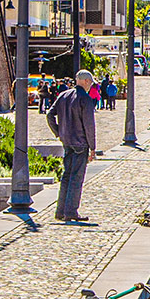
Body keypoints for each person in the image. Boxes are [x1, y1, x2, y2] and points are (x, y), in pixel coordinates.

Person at [48, 69, 99, 222]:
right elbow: (89, 125)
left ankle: (60, 211)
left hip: (67, 142)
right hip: (80, 143)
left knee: (66, 176)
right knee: (76, 178)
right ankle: (71, 212)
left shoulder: (64, 95)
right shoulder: (85, 99)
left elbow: (50, 114)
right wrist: (93, 147)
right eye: (89, 83)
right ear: (85, 81)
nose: (90, 86)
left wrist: (59, 132)